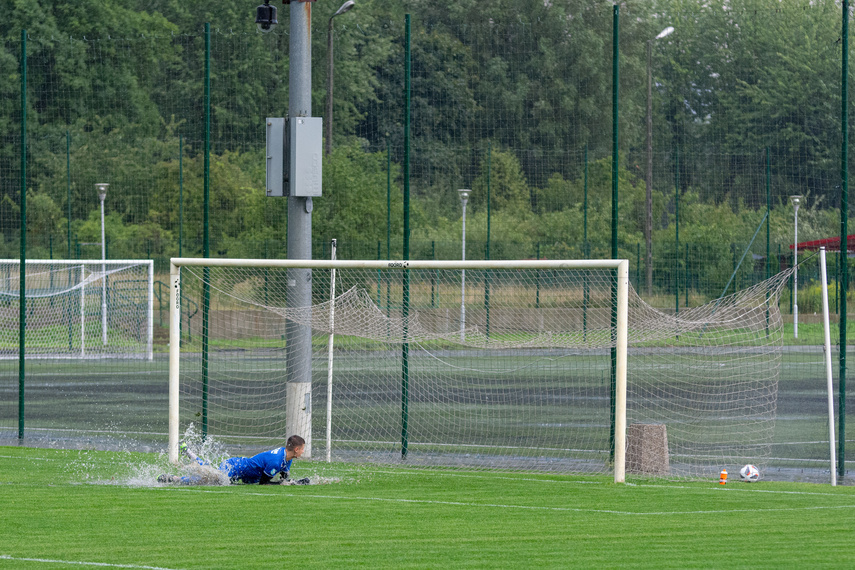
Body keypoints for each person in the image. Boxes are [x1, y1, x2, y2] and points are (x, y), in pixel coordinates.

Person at [159, 434, 309, 485]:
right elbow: (264, 483)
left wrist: (293, 482)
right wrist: (286, 484)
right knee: (209, 478)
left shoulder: (287, 457)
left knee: (210, 474)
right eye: (302, 449)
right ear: (296, 449)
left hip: (241, 473)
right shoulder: (276, 460)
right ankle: (174, 478)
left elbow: (284, 478)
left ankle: (188, 453)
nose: (303, 451)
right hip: (234, 466)